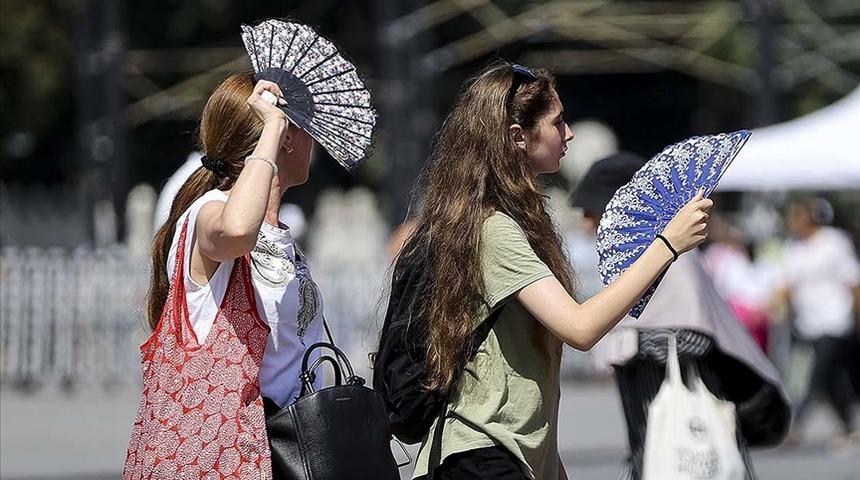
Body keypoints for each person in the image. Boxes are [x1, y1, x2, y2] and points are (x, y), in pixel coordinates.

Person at [391, 62, 714, 480]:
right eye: (558, 122)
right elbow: (579, 328)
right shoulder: (495, 230)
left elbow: (522, 375)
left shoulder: (507, 221)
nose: (570, 133)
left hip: (505, 456)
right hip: (481, 457)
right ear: (517, 137)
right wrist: (667, 245)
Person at [124, 72, 324, 477]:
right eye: (307, 128)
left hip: (280, 449)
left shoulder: (283, 238)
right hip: (221, 455)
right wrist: (271, 128)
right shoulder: (208, 211)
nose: (314, 141)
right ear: (285, 135)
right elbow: (236, 231)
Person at [571, 152, 791, 480]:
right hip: (651, 428)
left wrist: (633, 340)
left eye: (592, 212)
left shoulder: (672, 256)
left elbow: (696, 336)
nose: (586, 223)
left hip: (687, 418)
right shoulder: (636, 258)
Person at [775, 197, 860, 447]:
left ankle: (795, 426)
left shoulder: (834, 243)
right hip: (807, 322)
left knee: (815, 373)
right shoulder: (793, 248)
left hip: (834, 319)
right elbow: (788, 284)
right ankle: (848, 424)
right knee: (831, 378)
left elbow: (853, 281)